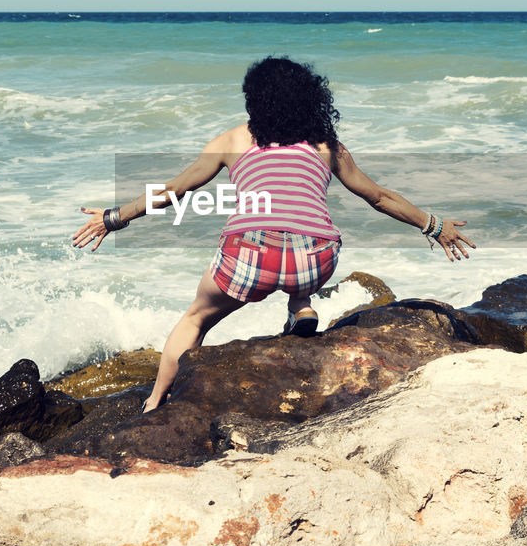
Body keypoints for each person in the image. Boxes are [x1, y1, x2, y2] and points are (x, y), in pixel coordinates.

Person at [71, 56, 475, 413]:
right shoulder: (327, 144)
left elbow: (175, 190)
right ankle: (301, 304)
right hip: (316, 259)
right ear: (309, 98)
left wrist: (113, 217)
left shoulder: (232, 140)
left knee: (195, 319)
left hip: (249, 257)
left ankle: (157, 399)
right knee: (301, 248)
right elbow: (379, 196)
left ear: (254, 99)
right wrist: (434, 225)